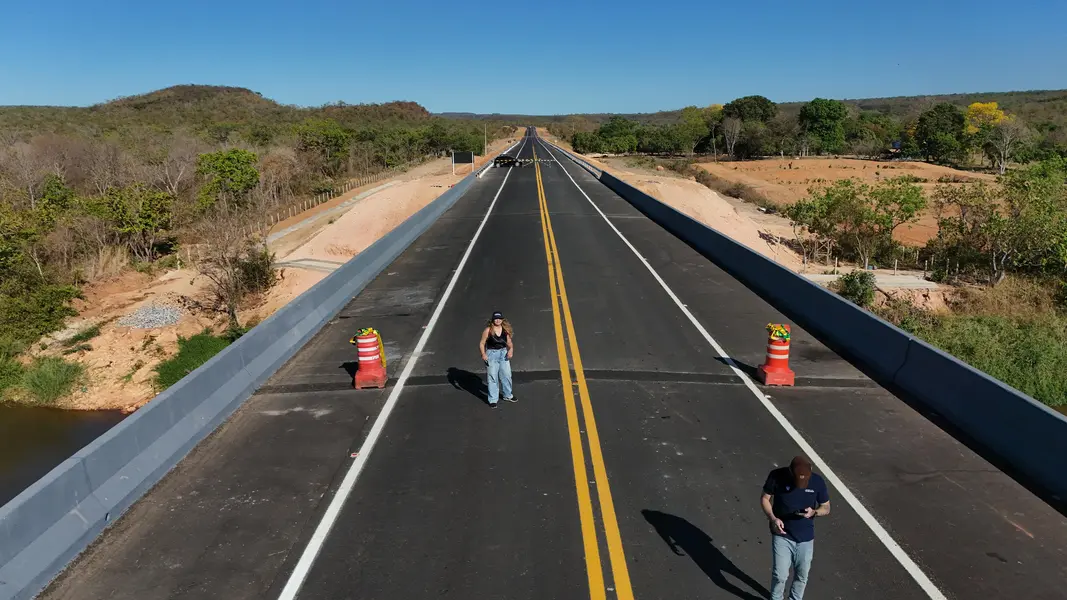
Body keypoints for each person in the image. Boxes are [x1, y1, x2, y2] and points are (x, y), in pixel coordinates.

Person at [760, 455, 831, 600]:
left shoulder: (817, 481)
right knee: (780, 575)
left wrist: (814, 512)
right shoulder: (776, 476)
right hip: (782, 534)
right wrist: (773, 518)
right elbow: (765, 499)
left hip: (806, 538)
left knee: (802, 576)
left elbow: (826, 507)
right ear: (790, 472)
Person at [478, 311, 515, 407]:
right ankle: (493, 400)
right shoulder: (488, 330)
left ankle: (508, 395)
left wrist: (510, 350)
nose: (497, 320)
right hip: (491, 355)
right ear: (493, 320)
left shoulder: (505, 331)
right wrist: (483, 354)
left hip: (503, 354)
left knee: (506, 375)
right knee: (493, 378)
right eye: (496, 318)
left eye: (499, 318)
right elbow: (482, 343)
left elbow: (510, 344)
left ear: (502, 320)